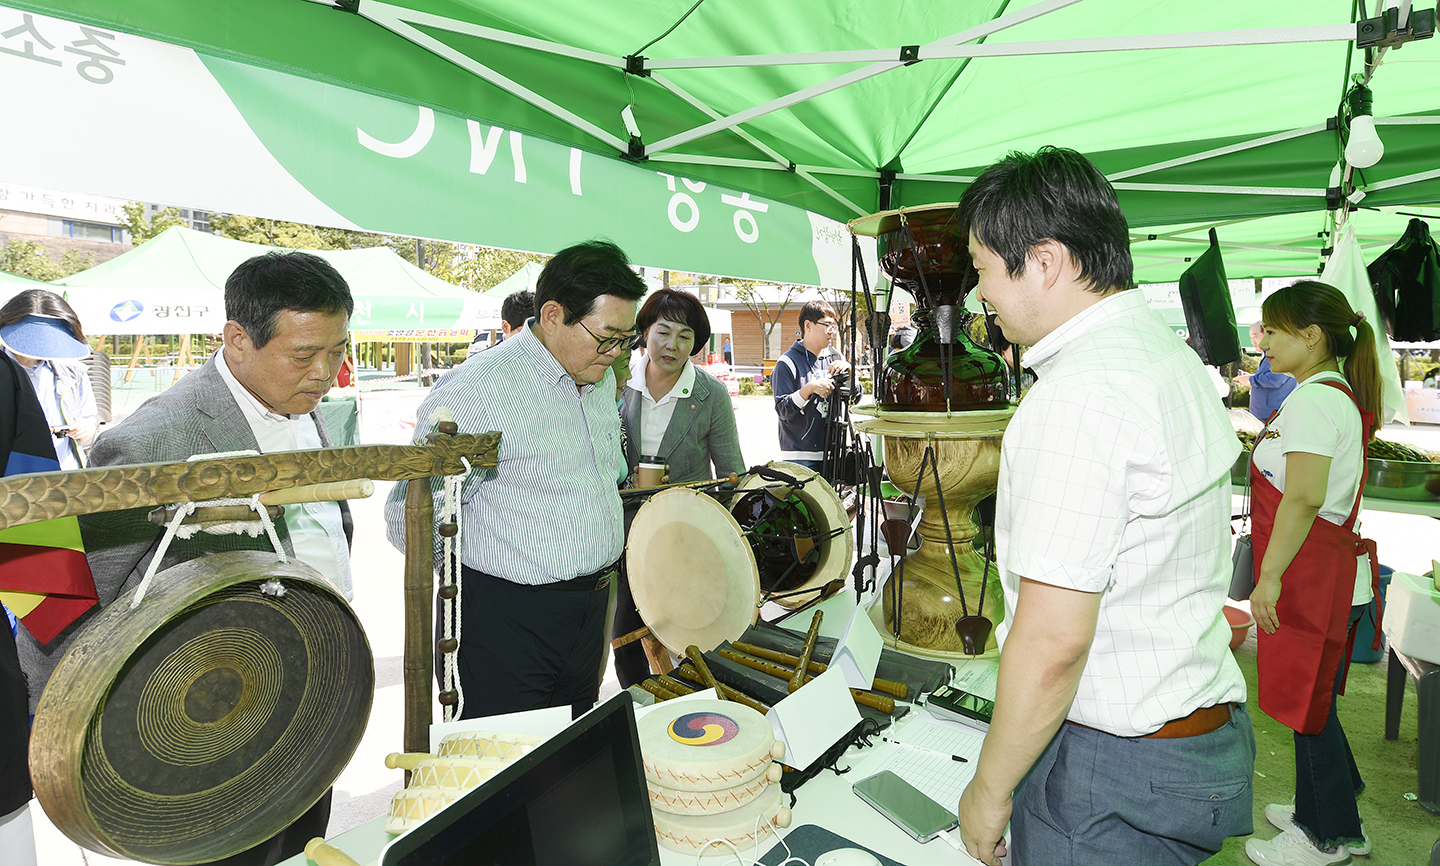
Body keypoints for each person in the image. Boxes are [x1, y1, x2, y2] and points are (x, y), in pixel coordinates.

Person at [953, 147, 1254, 866]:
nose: (977, 295)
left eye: (983, 268)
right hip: (1192, 739)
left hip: (1112, 773)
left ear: (1045, 261)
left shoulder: (1076, 397)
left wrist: (989, 791)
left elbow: (1055, 642)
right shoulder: (1166, 356)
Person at [17, 250, 356, 866]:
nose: (326, 374)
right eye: (304, 355)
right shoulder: (156, 439)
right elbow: (57, 593)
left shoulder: (303, 408)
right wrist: (63, 730)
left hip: (309, 695)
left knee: (300, 846)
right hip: (206, 724)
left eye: (337, 351)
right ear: (237, 340)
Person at [383, 240, 645, 720]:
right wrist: (476, 583)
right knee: (501, 770)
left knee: (567, 762)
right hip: (506, 621)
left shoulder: (599, 376)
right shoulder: (479, 388)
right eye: (605, 337)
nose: (615, 354)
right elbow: (407, 516)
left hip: (590, 612)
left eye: (626, 340)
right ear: (551, 315)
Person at [1245, 281, 1382, 865]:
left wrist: (1268, 576)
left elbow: (1303, 498)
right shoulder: (1317, 393)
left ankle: (1331, 834)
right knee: (1312, 697)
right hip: (1315, 568)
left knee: (1308, 701)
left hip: (1310, 571)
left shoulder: (1319, 400)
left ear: (1312, 335)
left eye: (1273, 331)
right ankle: (1323, 802)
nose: (1263, 342)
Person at [612, 289, 744, 686]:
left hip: (688, 536)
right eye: (663, 331)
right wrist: (624, 480)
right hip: (629, 534)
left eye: (684, 336)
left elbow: (731, 475)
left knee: (691, 632)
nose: (671, 345)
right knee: (626, 635)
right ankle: (637, 710)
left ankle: (694, 711)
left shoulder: (710, 395)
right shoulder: (615, 385)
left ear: (696, 343)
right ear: (644, 332)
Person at [0, 290, 99, 470]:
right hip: (10, 476)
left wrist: (87, 429)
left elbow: (90, 419)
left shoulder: (74, 372)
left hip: (65, 473)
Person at [771, 300, 860, 471]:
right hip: (800, 456)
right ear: (808, 325)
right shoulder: (787, 362)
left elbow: (855, 397)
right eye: (827, 325)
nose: (832, 331)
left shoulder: (836, 357)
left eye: (833, 326)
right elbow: (783, 409)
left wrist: (850, 372)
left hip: (834, 453)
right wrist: (808, 389)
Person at [1236, 320, 1298, 420]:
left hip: (1273, 415)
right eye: (1251, 338)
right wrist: (1249, 377)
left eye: (1255, 336)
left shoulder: (1280, 352)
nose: (1253, 341)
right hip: (1265, 414)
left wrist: (1250, 380)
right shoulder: (1268, 354)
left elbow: (1276, 379)